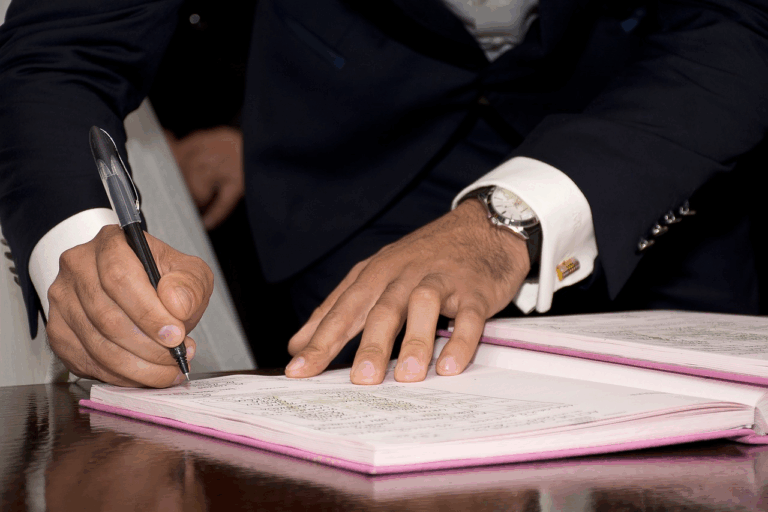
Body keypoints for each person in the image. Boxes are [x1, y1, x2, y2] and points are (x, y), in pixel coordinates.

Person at [0, 0, 766, 388]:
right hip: (357, 197)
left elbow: (741, 22)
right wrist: (79, 248)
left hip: (662, 181)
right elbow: (66, 50)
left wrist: (508, 221)